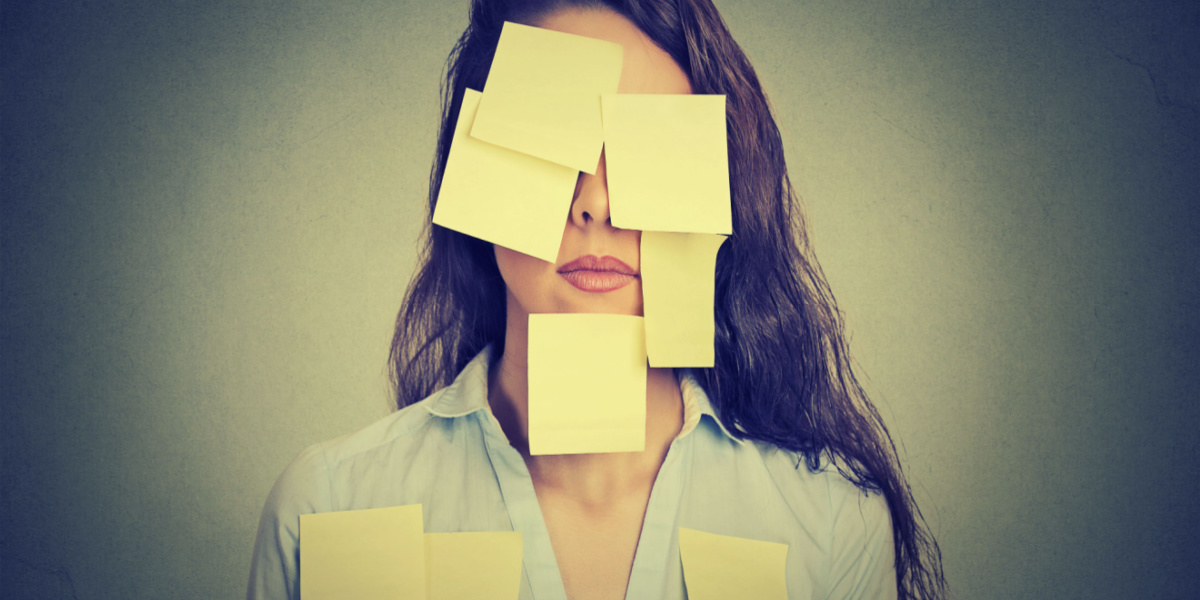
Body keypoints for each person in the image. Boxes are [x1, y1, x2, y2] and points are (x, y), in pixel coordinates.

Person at [248, 0, 947, 598]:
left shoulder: (829, 524)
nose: (599, 201)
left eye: (650, 147)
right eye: (553, 139)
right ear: (475, 171)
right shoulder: (327, 509)